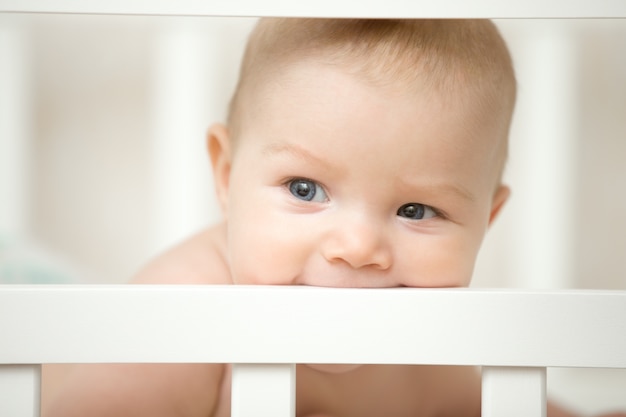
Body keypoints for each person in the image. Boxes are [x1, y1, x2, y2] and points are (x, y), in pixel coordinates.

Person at [41, 18, 625, 417]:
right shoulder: (181, 313)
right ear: (226, 175)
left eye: (416, 210)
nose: (356, 246)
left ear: (487, 220)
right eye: (304, 188)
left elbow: (493, 404)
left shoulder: (423, 344)